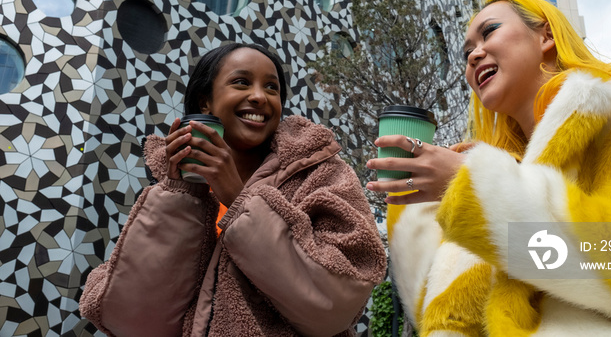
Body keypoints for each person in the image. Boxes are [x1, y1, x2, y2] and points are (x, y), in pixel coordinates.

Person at [366, 0, 611, 336]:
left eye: (489, 31)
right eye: (466, 54)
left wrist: (477, 188)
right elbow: (444, 320)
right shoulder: (494, 175)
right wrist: (415, 211)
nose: (474, 56)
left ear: (546, 37)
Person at [80, 43, 386, 336]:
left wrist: (237, 198)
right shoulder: (171, 188)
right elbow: (134, 321)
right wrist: (178, 197)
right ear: (205, 101)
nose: (259, 97)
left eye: (271, 87)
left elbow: (334, 308)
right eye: (241, 82)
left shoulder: (323, 173)